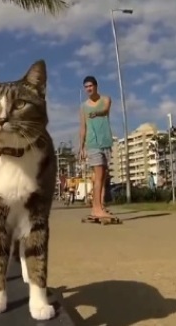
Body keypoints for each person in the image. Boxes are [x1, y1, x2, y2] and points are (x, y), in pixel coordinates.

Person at [78, 76, 114, 219]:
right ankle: (97, 209)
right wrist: (81, 147)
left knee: (103, 176)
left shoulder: (106, 99)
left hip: (106, 142)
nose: (88, 89)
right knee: (98, 176)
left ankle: (98, 207)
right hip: (92, 143)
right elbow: (82, 128)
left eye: (90, 86)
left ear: (96, 86)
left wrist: (96, 113)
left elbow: (105, 110)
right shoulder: (83, 107)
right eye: (86, 87)